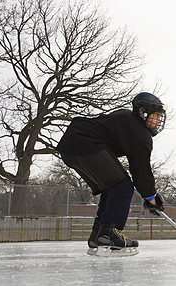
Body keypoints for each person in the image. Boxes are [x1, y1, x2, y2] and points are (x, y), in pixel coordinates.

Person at [57, 92, 166, 256]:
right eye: (156, 116)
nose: (158, 121)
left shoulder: (126, 118)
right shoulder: (140, 134)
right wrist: (151, 197)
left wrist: (149, 195)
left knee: (112, 187)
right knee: (123, 186)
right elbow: (140, 170)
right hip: (85, 143)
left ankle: (98, 235)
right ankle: (109, 233)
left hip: (70, 147)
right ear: (143, 112)